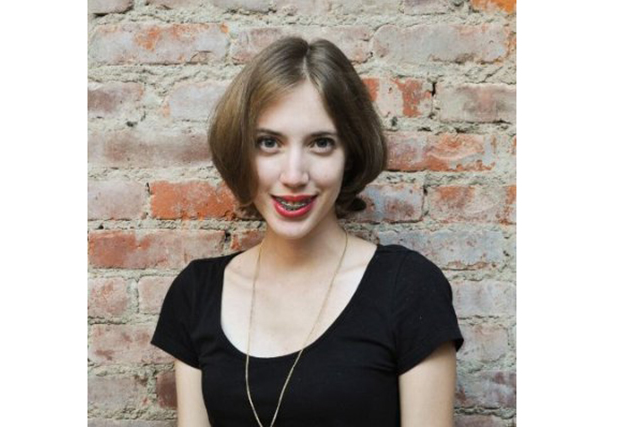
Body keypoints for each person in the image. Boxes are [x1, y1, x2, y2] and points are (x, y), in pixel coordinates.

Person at [150, 36, 464, 427]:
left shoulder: (409, 289)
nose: (294, 175)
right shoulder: (197, 293)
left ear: (349, 155)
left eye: (321, 143)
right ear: (241, 153)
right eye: (269, 143)